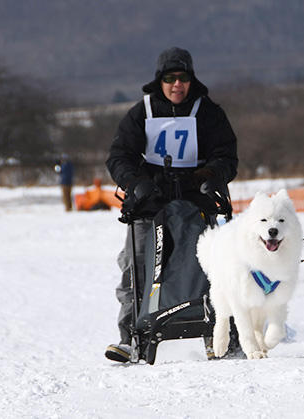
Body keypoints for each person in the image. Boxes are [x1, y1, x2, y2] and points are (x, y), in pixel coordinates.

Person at [104, 47, 239, 362]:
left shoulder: (208, 113)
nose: (177, 85)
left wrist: (211, 175)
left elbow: (226, 155)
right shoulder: (143, 112)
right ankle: (131, 338)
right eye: (170, 78)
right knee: (135, 265)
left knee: (210, 265)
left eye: (183, 78)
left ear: (191, 80)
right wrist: (137, 183)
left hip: (195, 200)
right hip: (150, 202)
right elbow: (119, 156)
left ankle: (220, 335)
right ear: (160, 81)